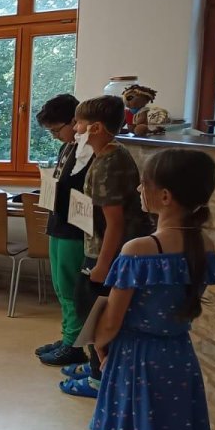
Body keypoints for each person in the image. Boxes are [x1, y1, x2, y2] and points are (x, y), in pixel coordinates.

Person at [66, 149, 215, 430]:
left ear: (166, 196)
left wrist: (99, 348)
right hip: (178, 358)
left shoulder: (139, 250)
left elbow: (112, 320)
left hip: (135, 359)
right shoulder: (204, 246)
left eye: (145, 183)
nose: (139, 189)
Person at [60, 96, 152, 398]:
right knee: (86, 305)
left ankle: (100, 378)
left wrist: (102, 264)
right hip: (99, 247)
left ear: (96, 128)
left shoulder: (110, 164)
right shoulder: (104, 156)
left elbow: (115, 223)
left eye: (79, 123)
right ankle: (95, 365)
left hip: (107, 253)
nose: (75, 129)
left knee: (95, 313)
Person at [32, 94, 90, 368]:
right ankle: (67, 336)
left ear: (75, 121)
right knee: (59, 285)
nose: (55, 136)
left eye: (57, 130)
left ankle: (74, 344)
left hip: (75, 228)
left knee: (71, 287)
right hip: (58, 223)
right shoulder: (67, 148)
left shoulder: (88, 151)